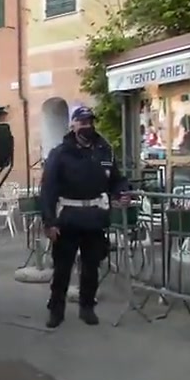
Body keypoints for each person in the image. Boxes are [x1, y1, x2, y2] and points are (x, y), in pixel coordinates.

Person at [39, 106, 130, 329]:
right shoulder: (60, 153)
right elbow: (48, 188)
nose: (87, 126)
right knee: (62, 269)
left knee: (91, 268)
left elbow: (116, 179)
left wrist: (121, 192)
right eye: (82, 122)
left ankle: (87, 307)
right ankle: (56, 310)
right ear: (73, 125)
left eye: (90, 121)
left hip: (94, 218)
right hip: (68, 217)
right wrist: (49, 221)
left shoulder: (103, 150)